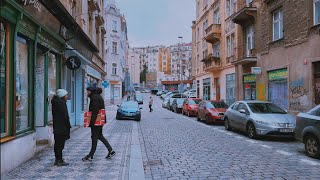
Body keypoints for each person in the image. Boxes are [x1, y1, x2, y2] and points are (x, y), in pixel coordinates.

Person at [82, 87, 115, 161]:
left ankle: (91, 155)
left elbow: (95, 111)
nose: (87, 93)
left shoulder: (95, 98)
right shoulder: (97, 96)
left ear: (91, 91)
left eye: (88, 91)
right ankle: (110, 150)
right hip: (100, 121)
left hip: (96, 121)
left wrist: (91, 123)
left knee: (94, 138)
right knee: (99, 136)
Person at [51, 89, 71, 166]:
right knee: (60, 144)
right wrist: (68, 126)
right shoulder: (61, 103)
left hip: (57, 126)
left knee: (57, 144)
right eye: (66, 95)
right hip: (61, 127)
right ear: (62, 96)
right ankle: (59, 160)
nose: (67, 96)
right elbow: (65, 116)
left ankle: (57, 159)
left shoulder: (56, 102)